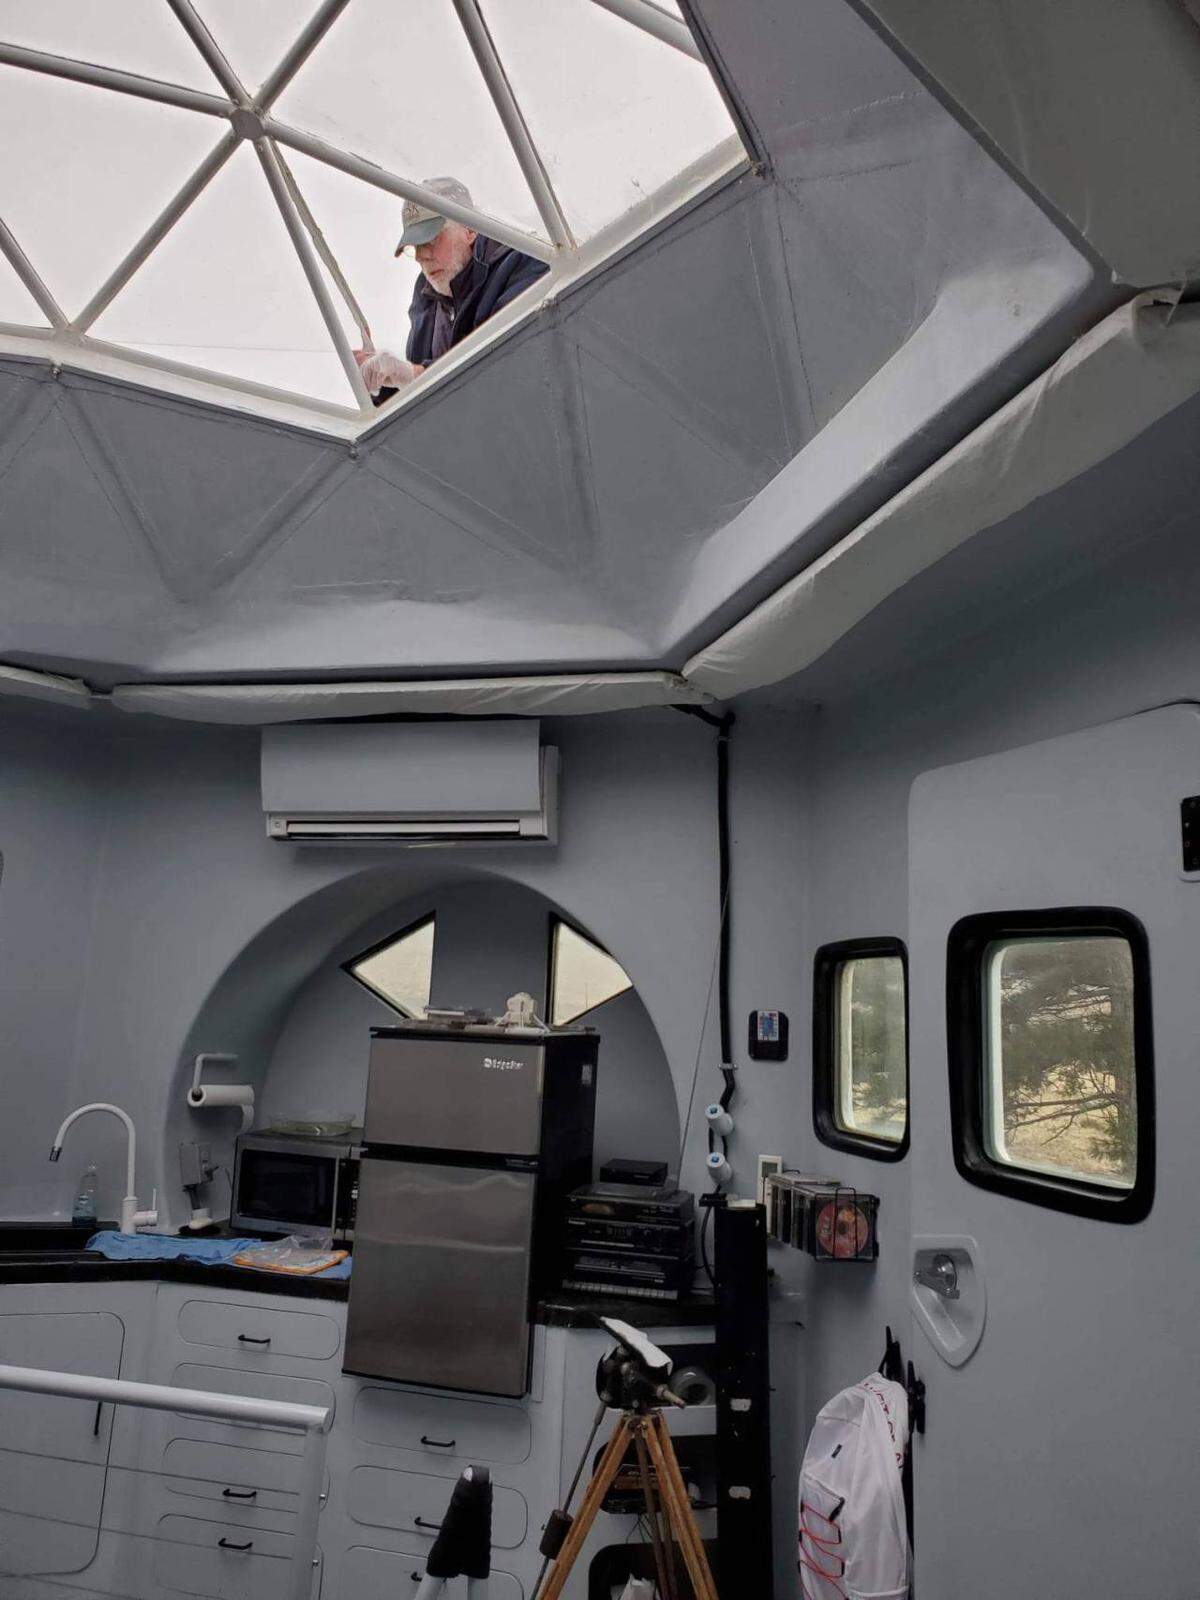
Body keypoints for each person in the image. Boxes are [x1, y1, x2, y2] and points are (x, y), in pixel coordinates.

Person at [354, 175, 549, 403]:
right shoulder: (425, 297)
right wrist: (381, 384)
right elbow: (422, 396)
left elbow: (506, 366)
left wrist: (411, 374)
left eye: (431, 239)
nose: (421, 257)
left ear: (470, 229)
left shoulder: (523, 264)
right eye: (414, 246)